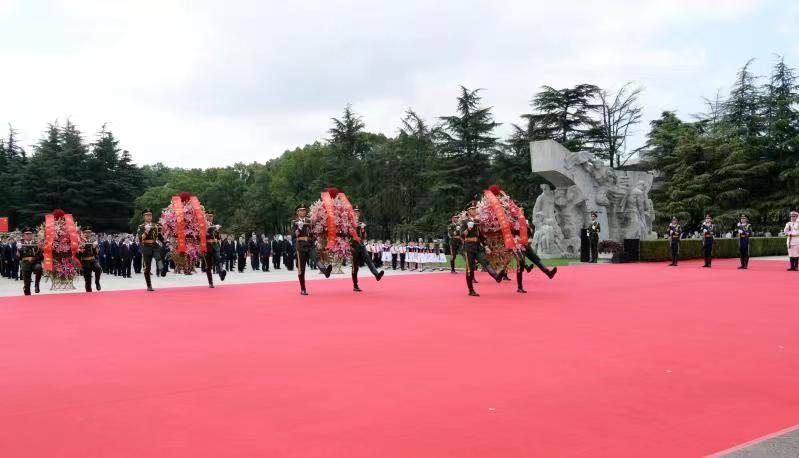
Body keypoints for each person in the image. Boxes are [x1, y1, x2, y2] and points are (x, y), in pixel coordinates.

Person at [461, 201, 505, 296]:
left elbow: (480, 236)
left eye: (475, 208)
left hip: (477, 246)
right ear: (468, 212)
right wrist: (467, 229)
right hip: (469, 247)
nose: (475, 210)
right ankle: (471, 290)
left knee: (485, 262)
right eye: (472, 209)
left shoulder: (477, 222)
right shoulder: (464, 222)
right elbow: (462, 235)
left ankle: (496, 277)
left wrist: (485, 246)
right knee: (470, 269)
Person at [292, 204, 332, 295]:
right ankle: (303, 288)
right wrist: (299, 227)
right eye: (301, 210)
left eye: (304, 210)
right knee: (301, 268)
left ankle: (325, 272)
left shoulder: (310, 221)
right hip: (300, 246)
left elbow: (313, 232)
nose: (303, 212)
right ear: (297, 212)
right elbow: (294, 235)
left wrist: (316, 240)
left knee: (316, 259)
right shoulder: (294, 222)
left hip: (310, 244)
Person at [351, 206, 385, 292]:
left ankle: (377, 275)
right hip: (353, 246)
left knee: (369, 260)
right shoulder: (349, 223)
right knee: (355, 267)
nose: (357, 213)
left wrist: (362, 229)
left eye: (358, 212)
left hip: (361, 245)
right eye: (355, 212)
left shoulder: (361, 223)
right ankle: (355, 285)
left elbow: (364, 236)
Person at [136, 208, 166, 292]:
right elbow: (140, 238)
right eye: (147, 215)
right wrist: (146, 231)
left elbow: (159, 236)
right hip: (145, 246)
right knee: (147, 267)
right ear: (144, 217)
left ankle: (161, 269)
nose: (149, 217)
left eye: (150, 215)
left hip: (154, 245)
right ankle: (149, 285)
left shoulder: (155, 225)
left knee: (158, 258)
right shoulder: (141, 226)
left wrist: (166, 242)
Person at [203, 210, 227, 288]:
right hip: (207, 247)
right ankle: (210, 282)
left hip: (215, 246)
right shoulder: (203, 225)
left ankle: (221, 273)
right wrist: (214, 228)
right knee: (208, 266)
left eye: (212, 216)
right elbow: (207, 232)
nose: (211, 217)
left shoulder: (213, 225)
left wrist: (217, 230)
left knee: (219, 259)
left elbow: (218, 237)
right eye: (209, 216)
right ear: (206, 216)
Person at [17, 227, 42, 295]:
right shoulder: (21, 243)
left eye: (30, 234)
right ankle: (28, 297)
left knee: (39, 268)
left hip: (34, 262)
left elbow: (41, 256)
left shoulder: (36, 243)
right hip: (25, 264)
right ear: (23, 235)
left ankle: (37, 285)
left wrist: (41, 249)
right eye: (27, 234)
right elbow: (18, 257)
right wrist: (18, 250)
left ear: (33, 235)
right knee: (27, 285)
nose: (29, 235)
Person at [77, 227, 102, 292]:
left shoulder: (93, 240)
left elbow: (97, 251)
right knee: (88, 281)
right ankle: (89, 292)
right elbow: (77, 253)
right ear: (83, 233)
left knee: (98, 268)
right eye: (86, 232)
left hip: (93, 260)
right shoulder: (80, 241)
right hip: (85, 262)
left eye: (89, 232)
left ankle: (97, 282)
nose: (88, 234)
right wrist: (80, 250)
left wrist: (95, 247)